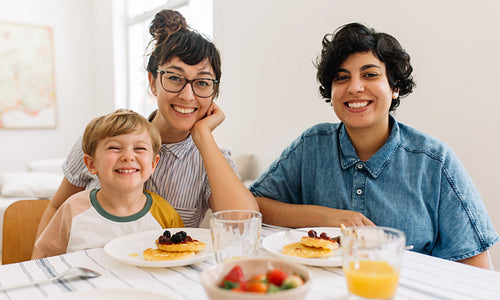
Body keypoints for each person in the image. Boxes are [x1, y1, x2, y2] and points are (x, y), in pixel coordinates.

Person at [249, 23, 498, 268]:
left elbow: (477, 268)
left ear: (395, 87)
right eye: (341, 77)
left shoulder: (434, 160)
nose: (355, 87)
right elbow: (252, 205)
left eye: (370, 75)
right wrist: (327, 217)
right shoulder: (312, 145)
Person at [35, 10, 258, 238]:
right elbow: (56, 208)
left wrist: (203, 135)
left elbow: (244, 226)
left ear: (214, 91)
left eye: (202, 83)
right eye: (174, 78)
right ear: (153, 82)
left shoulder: (212, 159)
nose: (188, 96)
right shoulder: (102, 137)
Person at [32, 109, 184, 258]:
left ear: (153, 164)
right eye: (114, 148)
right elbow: (43, 258)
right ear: (91, 164)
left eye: (139, 148)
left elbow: (181, 257)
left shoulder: (165, 214)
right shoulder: (73, 209)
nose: (128, 156)